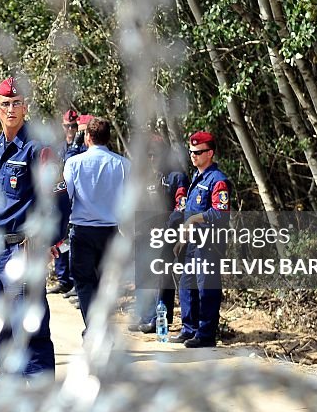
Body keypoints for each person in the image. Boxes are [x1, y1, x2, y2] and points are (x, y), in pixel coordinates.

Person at [0, 76, 60, 379]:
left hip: (23, 250)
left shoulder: (37, 149)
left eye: (17, 103)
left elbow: (57, 197)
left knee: (31, 332)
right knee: (1, 331)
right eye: (6, 104)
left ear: (25, 106)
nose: (12, 109)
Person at [63, 117, 130, 328]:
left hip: (82, 231)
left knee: (84, 283)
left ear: (87, 137)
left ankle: (94, 329)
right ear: (108, 138)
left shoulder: (73, 163)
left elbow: (67, 197)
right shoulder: (123, 164)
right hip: (111, 231)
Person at [174, 131, 231, 348]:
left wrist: (196, 219)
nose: (193, 155)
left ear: (211, 153)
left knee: (206, 287)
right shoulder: (197, 179)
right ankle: (190, 329)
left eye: (198, 152)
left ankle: (206, 333)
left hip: (209, 244)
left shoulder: (218, 181)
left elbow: (220, 213)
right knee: (187, 285)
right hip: (192, 243)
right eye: (191, 151)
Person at [130, 137, 188, 333]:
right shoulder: (151, 176)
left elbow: (180, 207)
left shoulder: (177, 176)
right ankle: (145, 316)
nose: (152, 158)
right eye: (149, 155)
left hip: (165, 235)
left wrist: (167, 228)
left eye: (155, 154)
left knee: (160, 278)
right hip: (145, 235)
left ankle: (159, 319)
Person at [49, 109, 81, 295]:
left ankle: (75, 281)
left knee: (74, 242)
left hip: (77, 201)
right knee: (59, 238)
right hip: (59, 198)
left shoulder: (82, 147)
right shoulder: (59, 148)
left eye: (74, 126)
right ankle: (63, 279)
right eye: (67, 126)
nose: (70, 129)